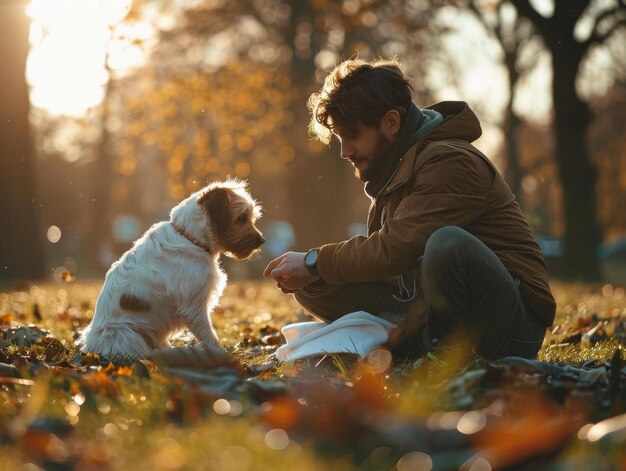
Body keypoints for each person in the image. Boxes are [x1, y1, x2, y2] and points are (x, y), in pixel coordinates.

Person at [263, 57, 556, 360]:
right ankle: (414, 345)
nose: (345, 151)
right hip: (439, 308)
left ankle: (441, 359)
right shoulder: (394, 170)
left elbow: (398, 248)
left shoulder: (450, 161)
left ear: (391, 122)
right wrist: (316, 273)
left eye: (352, 135)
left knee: (448, 243)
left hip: (510, 325)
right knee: (315, 286)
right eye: (339, 138)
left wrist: (314, 261)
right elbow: (389, 264)